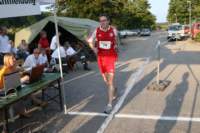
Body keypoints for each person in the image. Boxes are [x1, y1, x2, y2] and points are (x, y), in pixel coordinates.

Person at [88, 14, 119, 114]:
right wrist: (94, 48)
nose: (103, 22)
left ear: (108, 21)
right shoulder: (96, 31)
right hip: (101, 58)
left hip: (110, 58)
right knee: (106, 80)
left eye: (104, 20)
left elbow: (116, 41)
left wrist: (116, 46)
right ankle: (114, 90)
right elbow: (89, 41)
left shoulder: (113, 30)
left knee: (110, 81)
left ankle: (109, 105)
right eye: (101, 21)